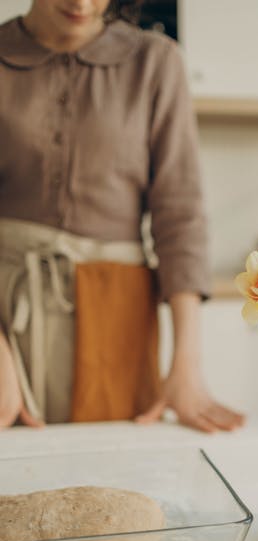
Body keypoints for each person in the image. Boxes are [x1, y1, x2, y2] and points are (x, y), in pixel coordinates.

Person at [0, 0, 244, 433]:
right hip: (7, 308)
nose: (81, 3)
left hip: (118, 314)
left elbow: (179, 215)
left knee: (111, 485)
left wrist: (185, 364)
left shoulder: (155, 62)